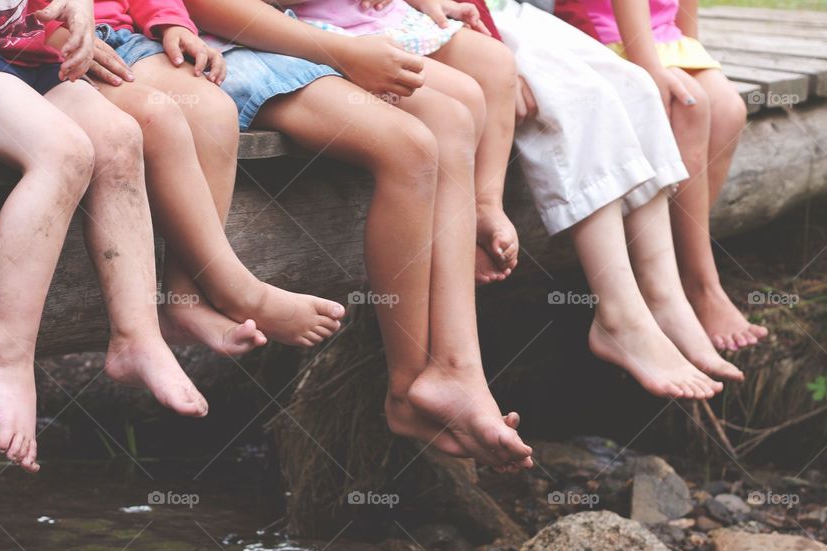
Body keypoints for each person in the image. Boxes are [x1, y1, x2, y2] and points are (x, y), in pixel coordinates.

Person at [163, 0, 534, 469]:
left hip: (289, 36)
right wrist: (340, 52)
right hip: (223, 47)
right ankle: (407, 386)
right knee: (412, 147)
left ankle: (457, 367)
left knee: (454, 117)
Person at [0, 0, 209, 473]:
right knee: (64, 152)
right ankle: (3, 348)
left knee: (119, 139)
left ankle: (138, 336)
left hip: (24, 56)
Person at [417, 0, 741, 397]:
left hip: (503, 11)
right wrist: (499, 70)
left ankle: (665, 296)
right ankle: (619, 316)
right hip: (441, 20)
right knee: (578, 97)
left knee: (636, 85)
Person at [47, 0, 346, 352]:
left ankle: (185, 300)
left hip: (125, 38)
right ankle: (237, 289)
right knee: (158, 115)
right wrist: (51, 35)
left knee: (215, 111)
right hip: (47, 46)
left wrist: (171, 23)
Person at [554, 0, 768, 351]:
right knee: (689, 105)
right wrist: (649, 67)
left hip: (664, 36)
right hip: (607, 34)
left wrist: (690, 46)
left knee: (729, 109)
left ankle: (673, 267)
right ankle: (701, 285)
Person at [288, 0, 521, 282]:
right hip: (324, 32)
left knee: (496, 61)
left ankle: (485, 203)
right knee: (461, 96)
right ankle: (448, 244)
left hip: (385, 15)